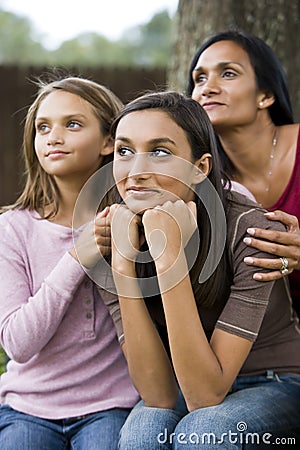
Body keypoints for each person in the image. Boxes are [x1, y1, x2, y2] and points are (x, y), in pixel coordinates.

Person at [102, 91, 300, 449]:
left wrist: (170, 260)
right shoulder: (112, 235)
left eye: (160, 152)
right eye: (124, 151)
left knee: (205, 432)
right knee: (143, 431)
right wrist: (121, 263)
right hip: (181, 382)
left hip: (272, 381)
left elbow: (205, 396)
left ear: (201, 168)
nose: (136, 171)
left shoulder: (249, 230)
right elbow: (158, 394)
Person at [0, 75, 139, 450]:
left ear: (109, 142)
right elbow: (18, 343)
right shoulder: (12, 229)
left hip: (111, 406)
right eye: (43, 127)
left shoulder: (133, 221)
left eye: (72, 124)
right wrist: (79, 255)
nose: (53, 137)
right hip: (28, 407)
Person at [186, 30, 300, 316]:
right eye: (199, 78)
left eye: (227, 74)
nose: (207, 88)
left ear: (266, 95)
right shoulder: (200, 175)